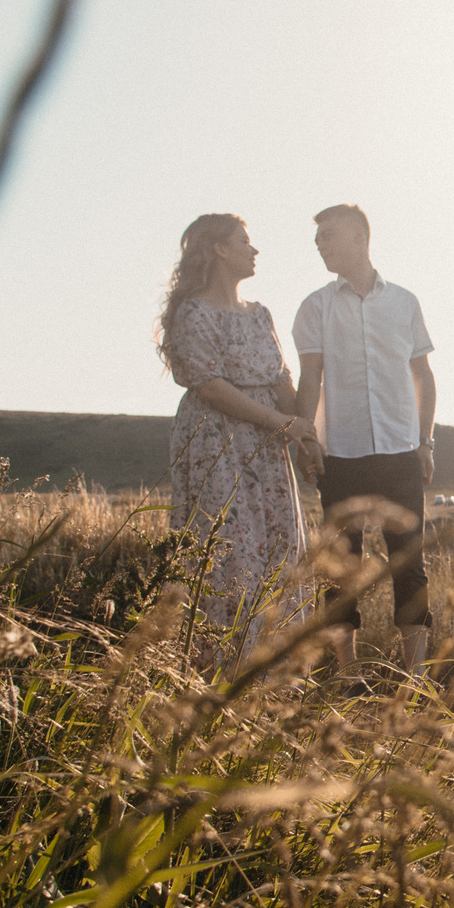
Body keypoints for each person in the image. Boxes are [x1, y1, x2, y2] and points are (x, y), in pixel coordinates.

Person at [160, 213, 323, 658]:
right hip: (218, 444)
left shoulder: (261, 314)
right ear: (219, 249)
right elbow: (210, 385)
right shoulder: (193, 312)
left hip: (267, 453)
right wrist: (281, 425)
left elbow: (280, 382)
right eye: (245, 242)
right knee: (230, 553)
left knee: (279, 549)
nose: (254, 250)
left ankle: (276, 672)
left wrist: (306, 439)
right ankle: (222, 668)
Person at [292, 203, 436, 675]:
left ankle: (413, 682)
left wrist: (425, 441)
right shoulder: (315, 306)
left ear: (358, 236)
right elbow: (309, 379)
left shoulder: (404, 302)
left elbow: (424, 377)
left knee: (408, 567)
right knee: (341, 568)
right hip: (342, 456)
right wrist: (306, 440)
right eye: (317, 240)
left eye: (328, 236)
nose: (319, 245)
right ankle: (347, 675)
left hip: (399, 452)